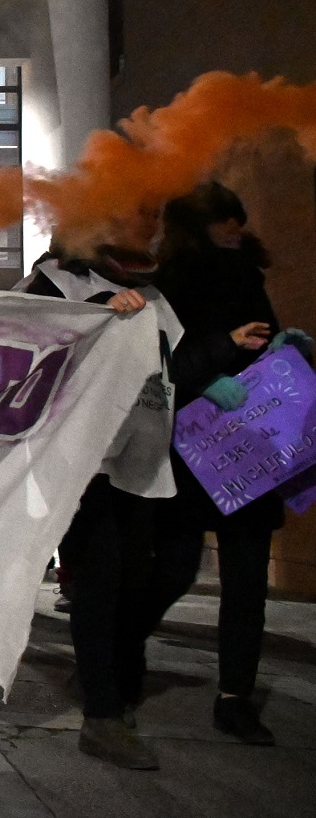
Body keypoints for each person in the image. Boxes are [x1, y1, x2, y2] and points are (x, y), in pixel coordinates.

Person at [16, 233, 178, 770]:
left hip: (143, 464)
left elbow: (178, 365)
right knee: (100, 584)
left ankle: (105, 678)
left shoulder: (157, 298)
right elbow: (21, 342)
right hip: (85, 467)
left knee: (149, 577)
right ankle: (104, 716)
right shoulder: (56, 283)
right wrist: (94, 312)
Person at [144, 182, 298, 746]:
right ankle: (114, 651)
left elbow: (261, 340)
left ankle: (236, 696)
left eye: (238, 219)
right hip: (195, 443)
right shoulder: (173, 280)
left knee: (247, 579)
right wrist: (211, 374)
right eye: (223, 222)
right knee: (176, 566)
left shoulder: (245, 273)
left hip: (250, 442)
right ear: (197, 225)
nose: (235, 229)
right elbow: (162, 362)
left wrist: (286, 347)